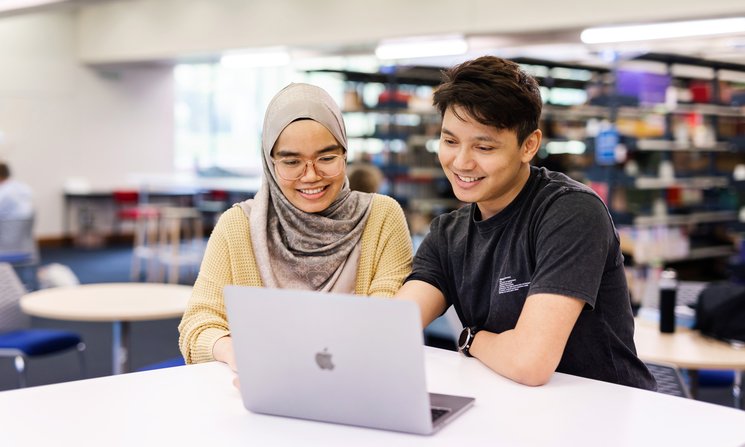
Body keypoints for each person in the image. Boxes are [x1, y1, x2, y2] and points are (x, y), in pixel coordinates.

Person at [396, 56, 656, 390]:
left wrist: (470, 338)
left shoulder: (571, 212)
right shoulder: (449, 234)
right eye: (450, 141)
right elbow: (397, 324)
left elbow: (530, 362)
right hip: (513, 410)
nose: (461, 161)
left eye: (484, 146)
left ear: (529, 145)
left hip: (606, 416)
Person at [179, 83, 413, 371]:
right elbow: (197, 325)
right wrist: (234, 350)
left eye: (327, 158)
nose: (311, 176)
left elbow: (385, 319)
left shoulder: (382, 217)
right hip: (265, 391)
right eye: (292, 162)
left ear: (345, 154)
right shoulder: (238, 227)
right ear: (270, 162)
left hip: (358, 382)